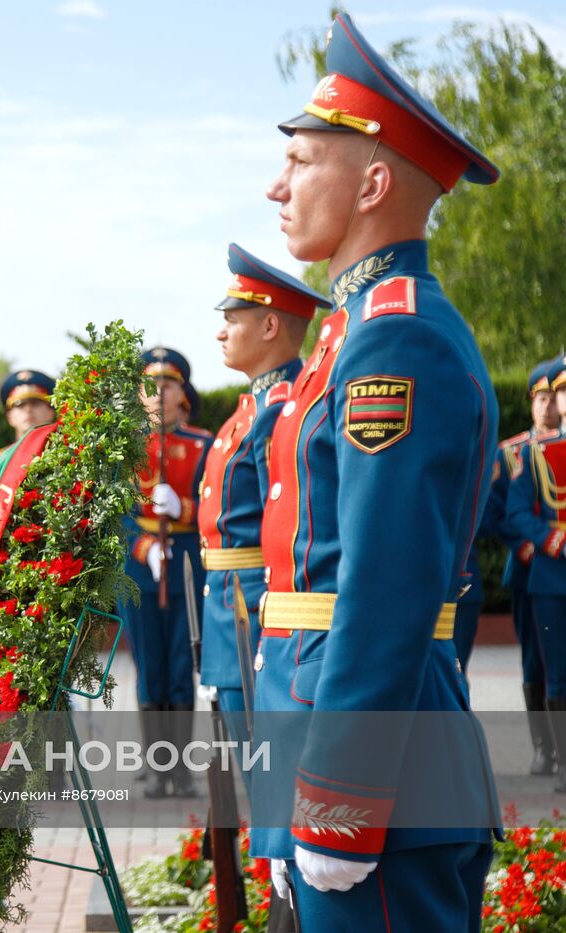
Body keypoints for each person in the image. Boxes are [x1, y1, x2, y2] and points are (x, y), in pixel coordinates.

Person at [253, 13, 501, 926]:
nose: (276, 184)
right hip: (325, 733)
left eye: (301, 160)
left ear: (373, 182)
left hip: (377, 778)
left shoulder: (396, 340)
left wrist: (340, 795)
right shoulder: (354, 333)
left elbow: (386, 584)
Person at [198, 244, 325, 743]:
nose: (220, 331)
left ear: (270, 326)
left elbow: (292, 524)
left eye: (232, 319)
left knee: (267, 767)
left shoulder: (278, 411)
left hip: (256, 611)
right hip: (231, 609)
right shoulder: (254, 407)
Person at [122, 347, 211, 799]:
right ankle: (157, 767)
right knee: (148, 666)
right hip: (140, 569)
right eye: (150, 383)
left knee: (181, 666)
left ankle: (181, 770)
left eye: (168, 383)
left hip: (187, 564)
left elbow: (217, 505)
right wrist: (144, 548)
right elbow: (113, 516)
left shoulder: (202, 444)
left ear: (182, 392)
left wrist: (184, 508)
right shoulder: (123, 446)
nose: (158, 391)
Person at [480, 360, 559, 778]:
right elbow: (494, 514)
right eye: (541, 397)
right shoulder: (512, 452)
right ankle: (544, 747)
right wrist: (528, 547)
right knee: (535, 660)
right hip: (530, 571)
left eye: (554, 397)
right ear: (531, 402)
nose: (548, 406)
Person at [0, 369, 57, 484]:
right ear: (10, 417)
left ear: (51, 412)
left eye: (35, 403)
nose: (28, 409)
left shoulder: (66, 458)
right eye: (20, 405)